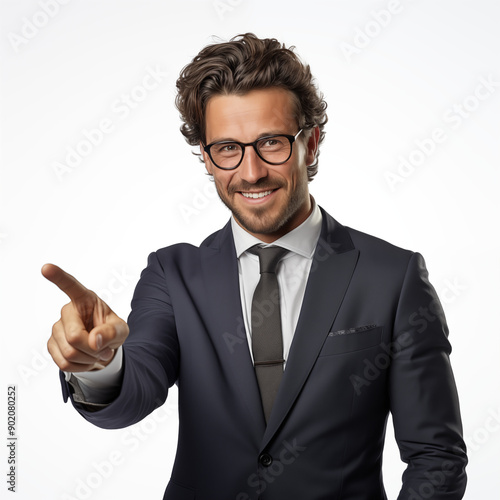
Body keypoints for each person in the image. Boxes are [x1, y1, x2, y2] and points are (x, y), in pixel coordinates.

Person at [42, 33, 467, 499]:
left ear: (313, 143)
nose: (250, 172)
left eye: (271, 143)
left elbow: (436, 458)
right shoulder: (173, 275)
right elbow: (137, 390)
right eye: (227, 148)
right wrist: (101, 365)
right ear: (205, 156)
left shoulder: (392, 277)